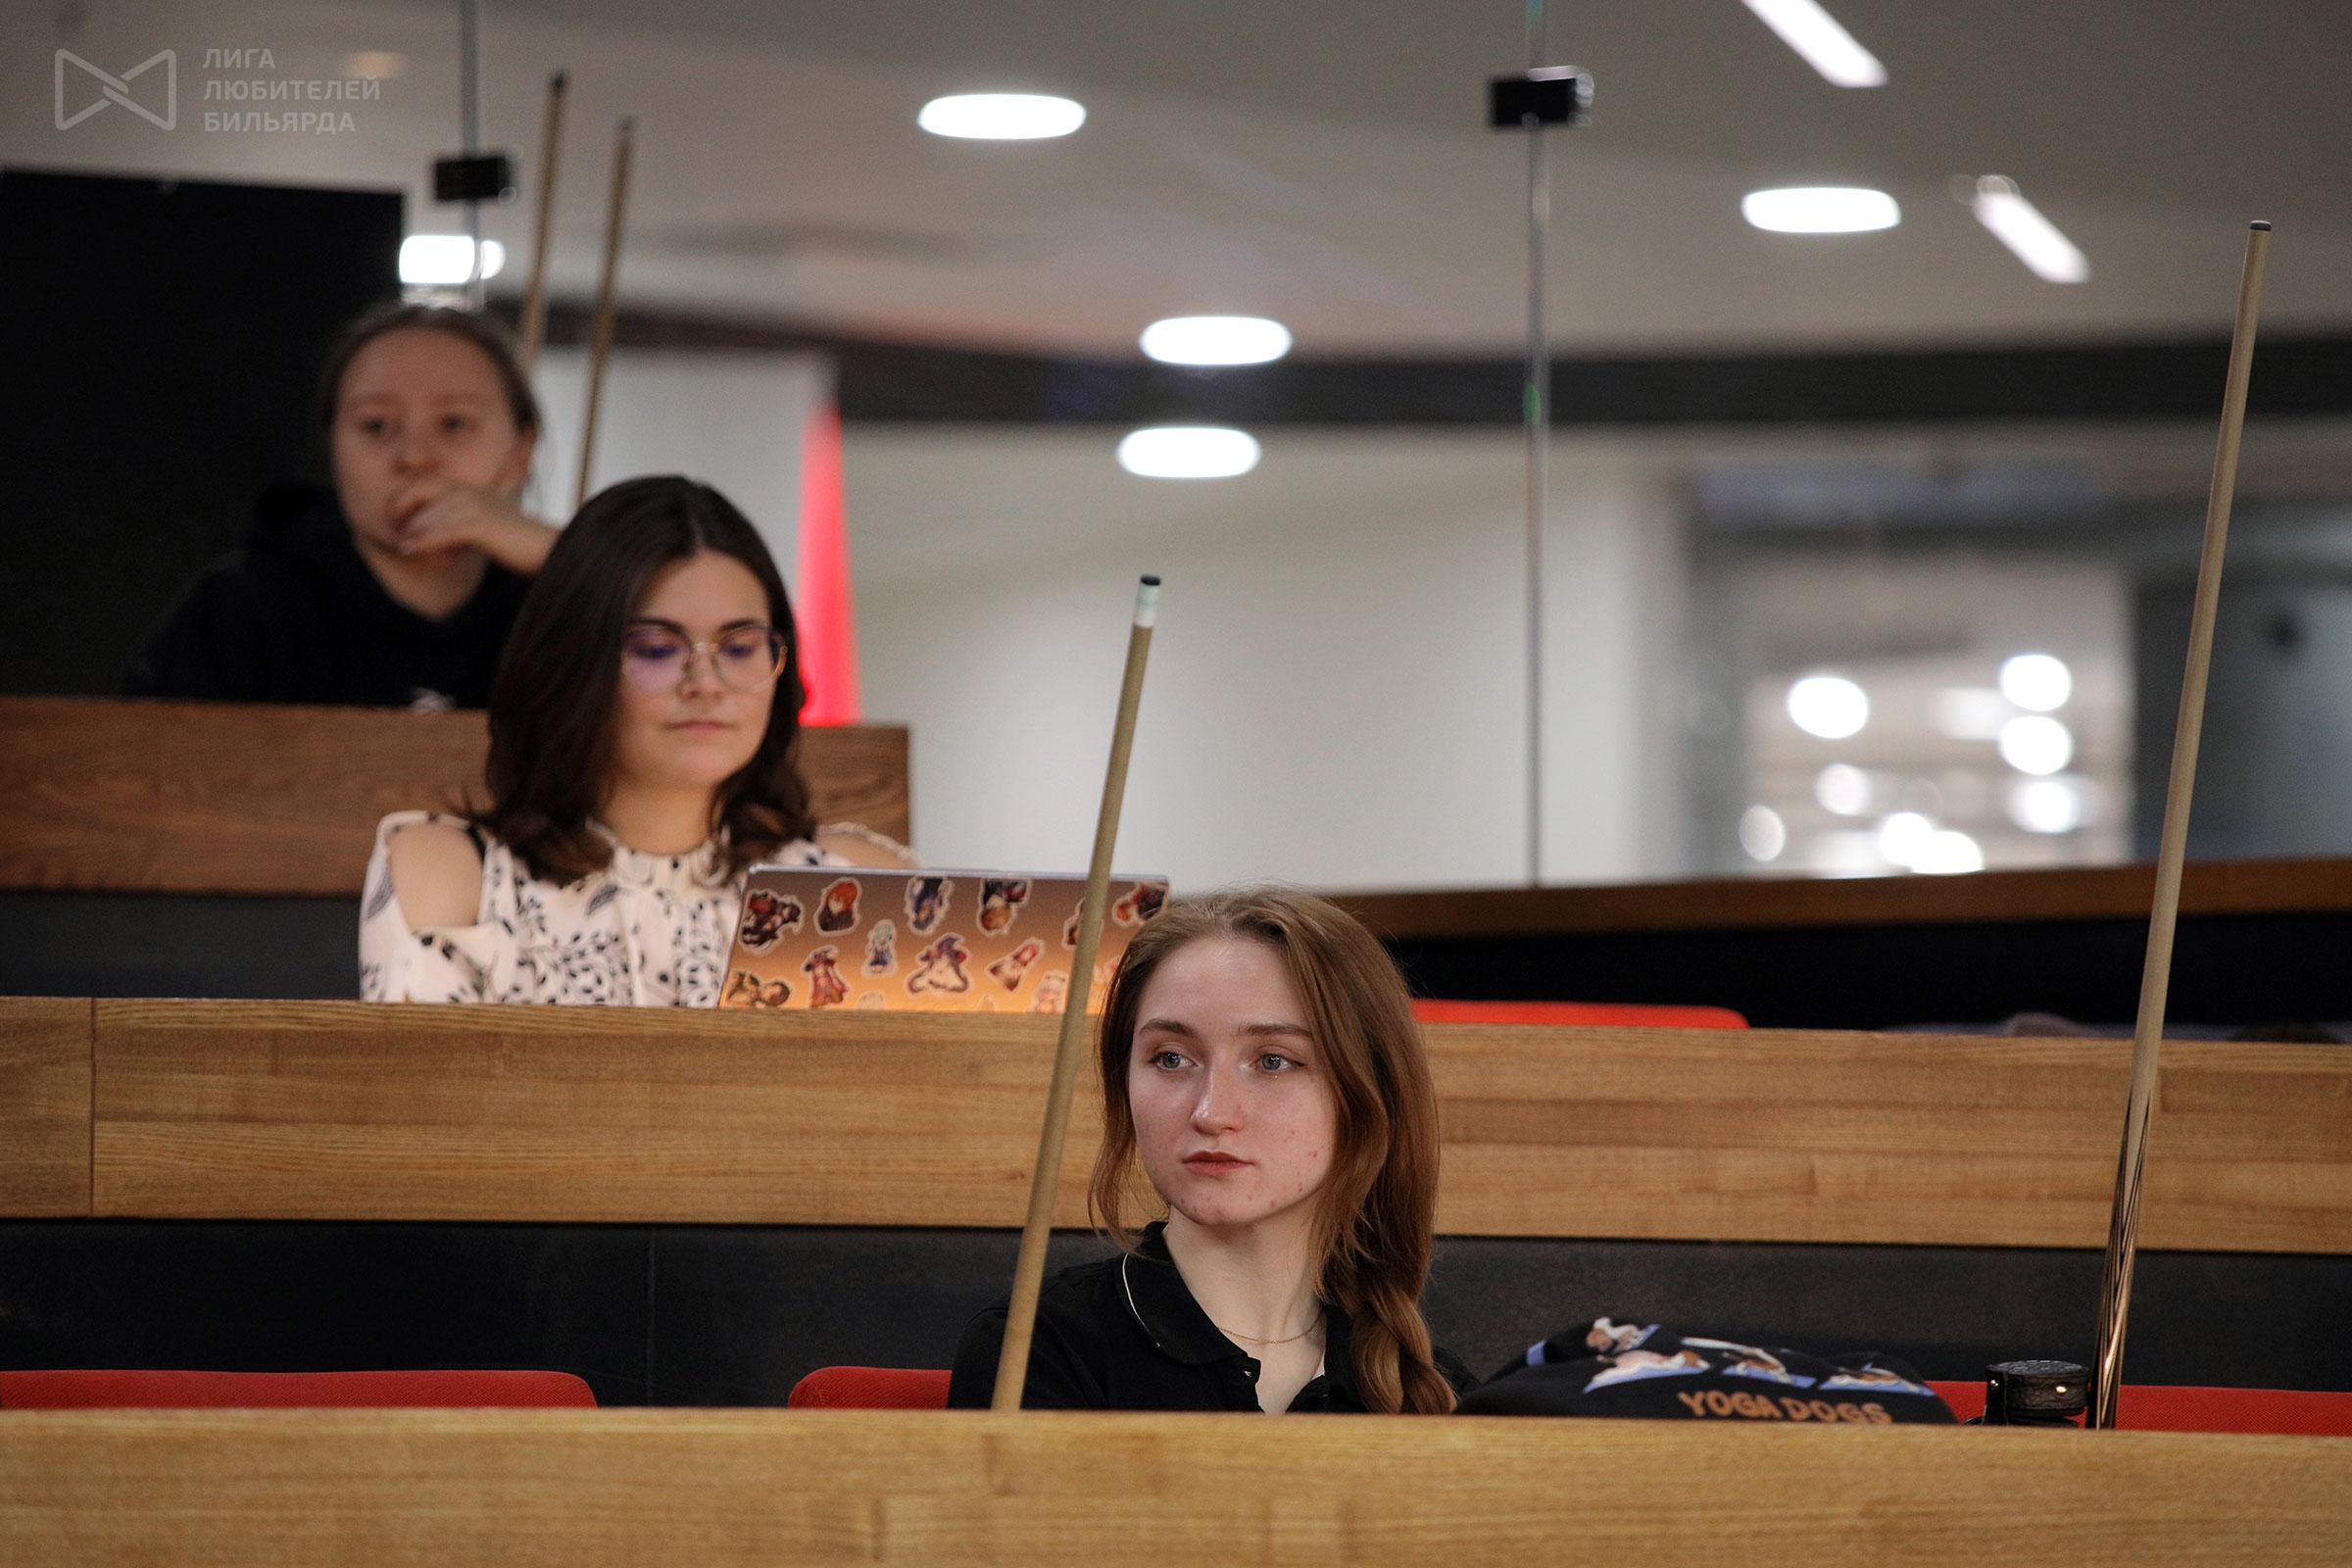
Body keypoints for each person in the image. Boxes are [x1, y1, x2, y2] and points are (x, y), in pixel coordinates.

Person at [360, 475, 908, 1005]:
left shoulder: (857, 884)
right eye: (656, 648)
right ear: (574, 663)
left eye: (739, 647)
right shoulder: (454, 874)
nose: (705, 684)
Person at [949, 888, 1474, 1413]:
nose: (1211, 1112)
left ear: (1367, 1095)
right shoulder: (1036, 1351)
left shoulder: (1437, 1395)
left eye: (1273, 1061)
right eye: (1171, 1059)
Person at [123, 302, 559, 708]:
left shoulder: (559, 614)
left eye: (454, 423)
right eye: (376, 425)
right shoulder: (237, 611)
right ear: (333, 448)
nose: (414, 456)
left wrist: (564, 557)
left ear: (520, 453)